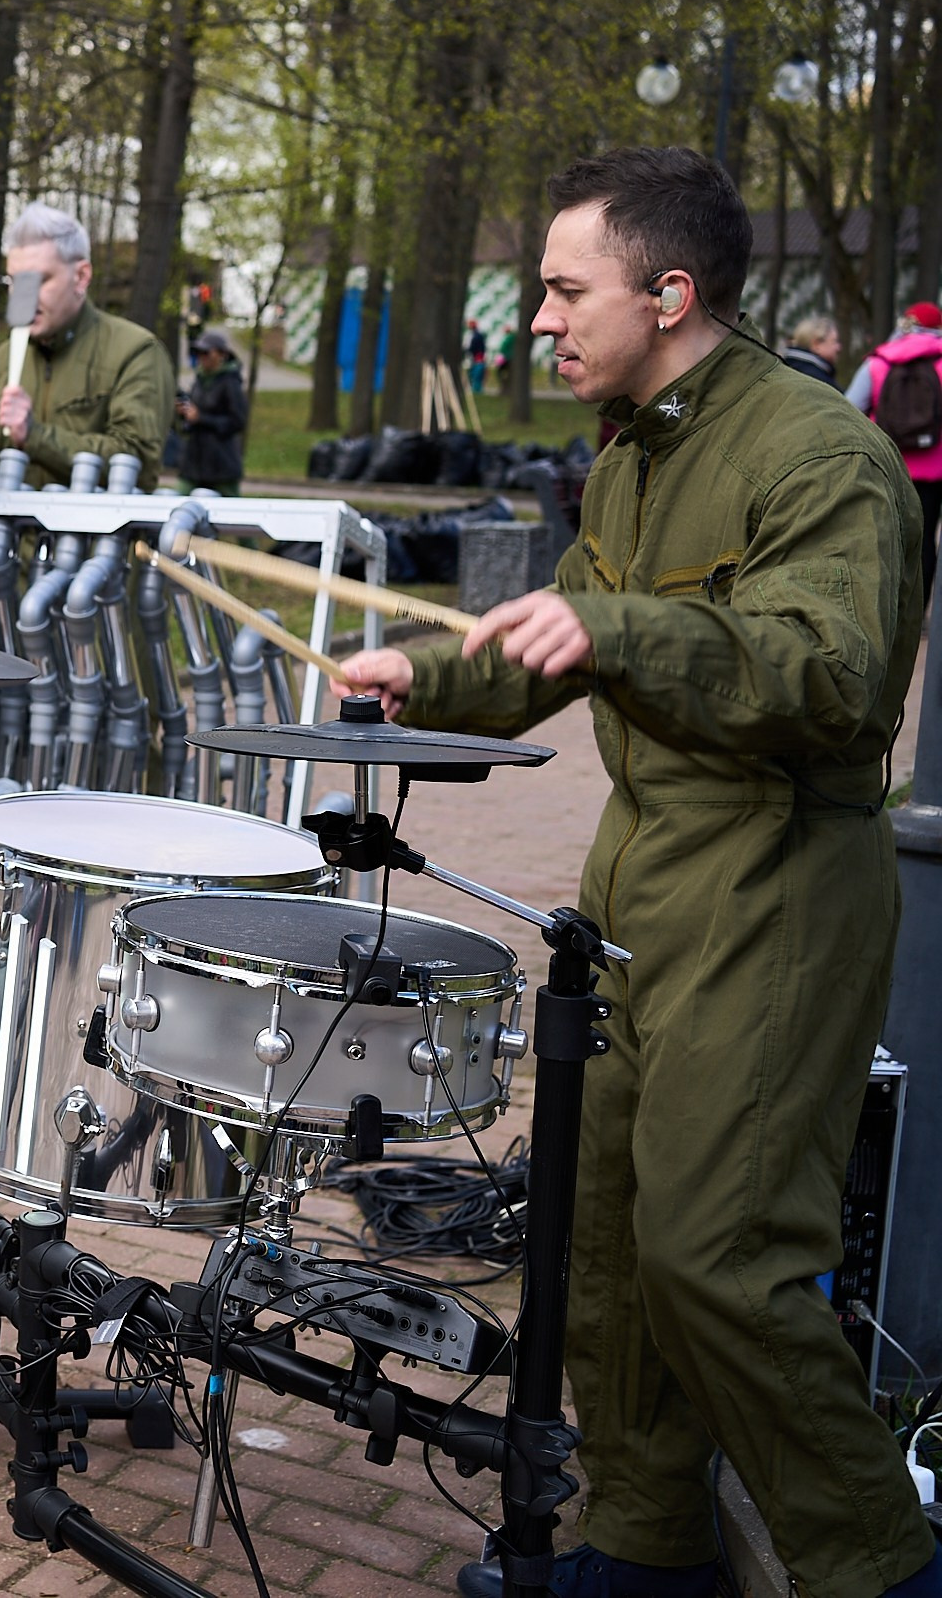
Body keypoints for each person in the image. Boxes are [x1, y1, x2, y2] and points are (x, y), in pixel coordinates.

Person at [338, 147, 935, 1598]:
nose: (539, 318)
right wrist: (408, 677)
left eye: (561, 288)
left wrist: (621, 637)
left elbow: (840, 679)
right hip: (638, 888)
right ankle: (645, 1542)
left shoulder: (819, 454)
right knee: (605, 1240)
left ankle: (881, 1562)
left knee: (716, 1255)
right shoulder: (631, 450)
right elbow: (554, 642)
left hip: (776, 887)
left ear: (670, 294)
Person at [0, 203, 170, 487]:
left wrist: (35, 435)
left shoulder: (135, 352)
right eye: (15, 281)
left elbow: (137, 463)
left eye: (39, 280)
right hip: (9, 532)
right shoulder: (4, 361)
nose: (23, 296)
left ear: (81, 276)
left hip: (98, 531)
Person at [846, 301, 942, 597]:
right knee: (925, 541)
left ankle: (888, 607)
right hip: (935, 472)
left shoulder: (877, 362)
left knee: (887, 537)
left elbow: (848, 408)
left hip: (888, 465)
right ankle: (921, 609)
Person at [174, 329, 246, 490]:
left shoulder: (231, 382)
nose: (202, 357)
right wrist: (184, 414)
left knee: (230, 510)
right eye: (199, 352)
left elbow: (237, 421)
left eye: (206, 352)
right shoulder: (199, 380)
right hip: (194, 462)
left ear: (221, 355)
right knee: (178, 500)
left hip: (221, 466)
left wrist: (202, 418)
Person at [780, 313, 842, 388]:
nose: (839, 347)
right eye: (834, 341)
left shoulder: (788, 371)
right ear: (816, 345)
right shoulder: (818, 381)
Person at [465, 315, 489, 392]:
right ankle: (476, 388)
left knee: (477, 375)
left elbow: (474, 347)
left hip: (478, 357)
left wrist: (468, 351)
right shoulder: (473, 334)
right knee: (474, 374)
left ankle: (477, 389)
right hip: (475, 357)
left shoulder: (477, 335)